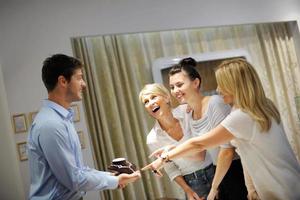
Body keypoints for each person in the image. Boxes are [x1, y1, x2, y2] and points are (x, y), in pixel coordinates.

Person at [142, 58, 300, 200]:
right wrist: (251, 188)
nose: (218, 89)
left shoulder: (239, 116)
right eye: (172, 86)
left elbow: (205, 145)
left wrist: (165, 157)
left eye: (222, 84)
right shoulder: (263, 106)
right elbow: (245, 153)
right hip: (283, 182)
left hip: (278, 187)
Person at [27, 54, 140, 200]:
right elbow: (74, 179)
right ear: (63, 81)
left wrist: (111, 177)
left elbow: (78, 170)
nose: (84, 84)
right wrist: (116, 180)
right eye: (79, 78)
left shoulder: (62, 119)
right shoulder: (51, 124)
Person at [168, 57, 247, 200]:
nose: (175, 91)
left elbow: (227, 151)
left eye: (179, 85)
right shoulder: (189, 113)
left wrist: (214, 188)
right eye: (172, 87)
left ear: (196, 83)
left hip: (236, 170)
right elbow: (199, 150)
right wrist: (170, 151)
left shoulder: (215, 103)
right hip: (218, 171)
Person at [139, 83, 210, 200]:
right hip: (193, 183)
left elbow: (202, 150)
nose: (150, 103)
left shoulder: (187, 111)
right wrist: (188, 190)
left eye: (153, 97)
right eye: (146, 102)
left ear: (167, 97)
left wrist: (170, 151)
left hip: (216, 168)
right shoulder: (152, 139)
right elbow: (171, 169)